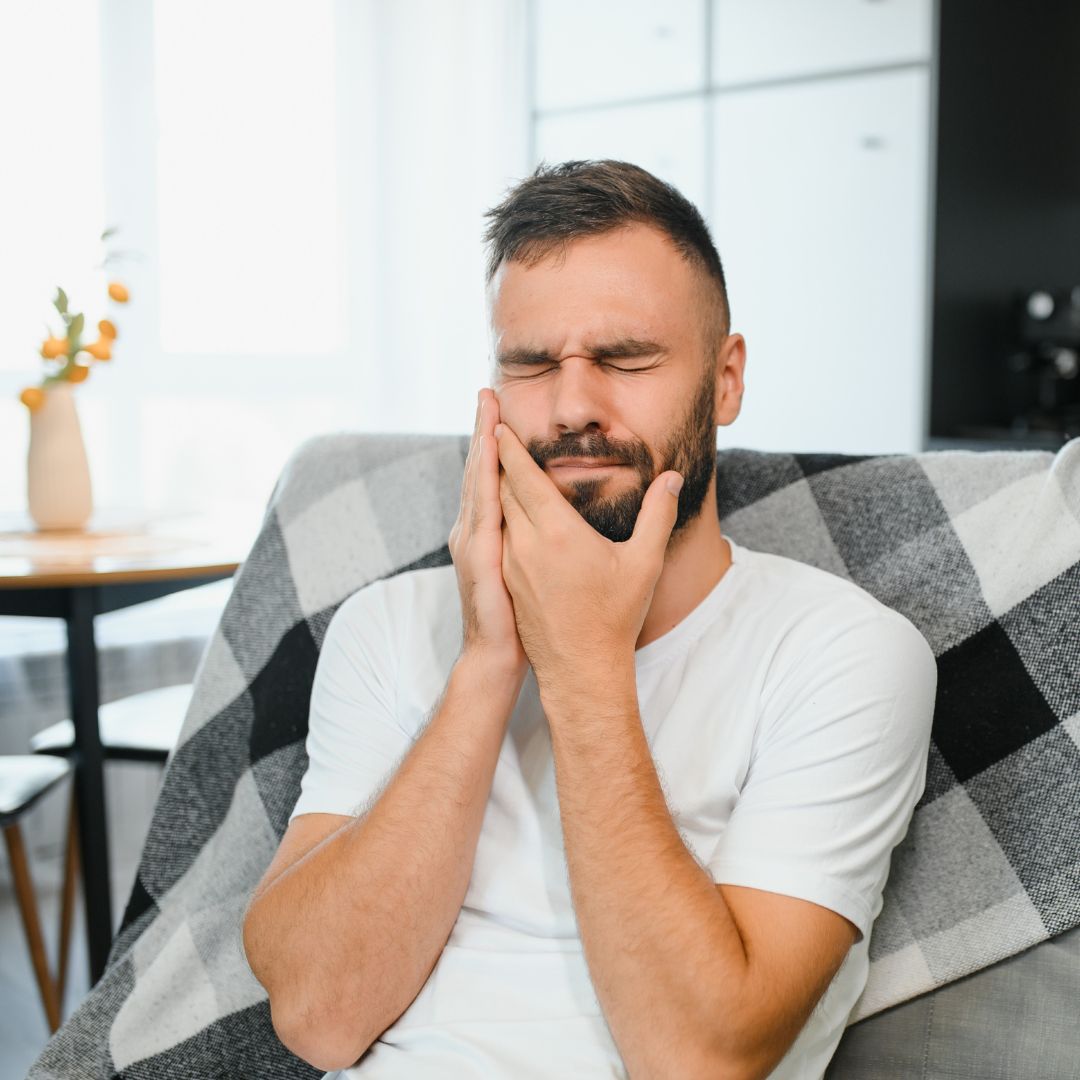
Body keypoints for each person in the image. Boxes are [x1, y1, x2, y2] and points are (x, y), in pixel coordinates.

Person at [242, 160, 937, 1079]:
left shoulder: (845, 655)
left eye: (626, 359)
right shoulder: (388, 626)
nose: (573, 408)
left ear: (725, 380)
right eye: (531, 365)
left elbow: (701, 1058)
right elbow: (317, 1015)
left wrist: (582, 663)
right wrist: (491, 662)